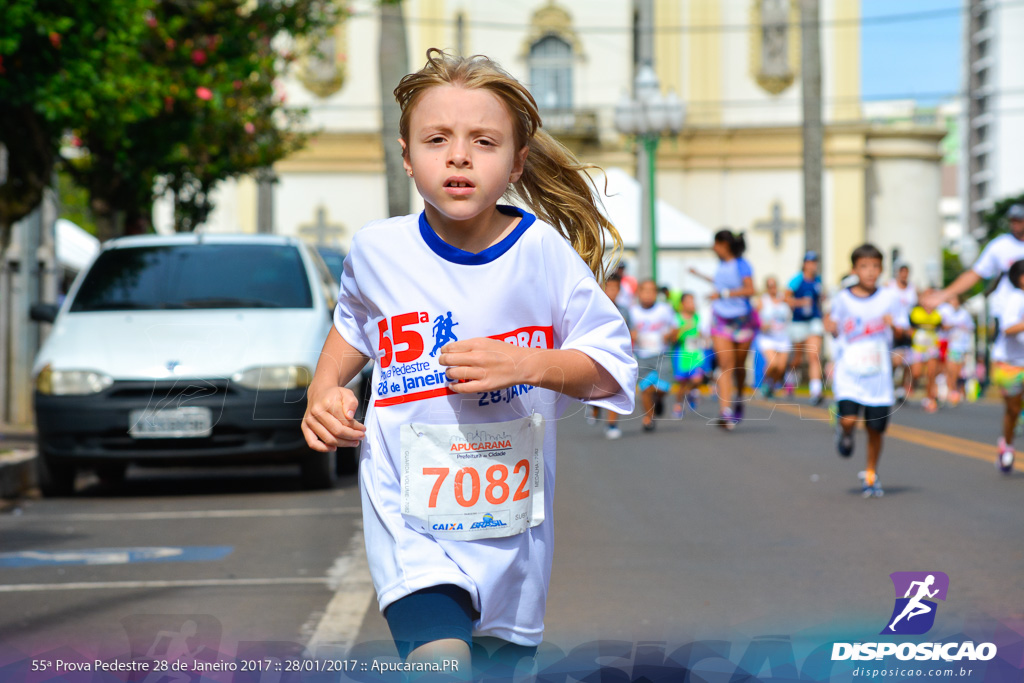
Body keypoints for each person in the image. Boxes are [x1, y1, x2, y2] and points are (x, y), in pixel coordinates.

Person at [301, 49, 637, 677]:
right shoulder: (378, 250)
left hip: (513, 537)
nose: (459, 156)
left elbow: (613, 370)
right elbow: (354, 325)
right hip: (409, 521)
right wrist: (325, 389)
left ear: (516, 162)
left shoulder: (544, 255)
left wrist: (528, 364)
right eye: (437, 139)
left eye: (484, 141)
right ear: (407, 156)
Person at [924, 203, 1024, 470]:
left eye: (1021, 220)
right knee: (1012, 407)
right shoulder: (1000, 247)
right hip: (1010, 326)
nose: (1017, 225)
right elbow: (976, 274)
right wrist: (944, 296)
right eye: (1014, 220)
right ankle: (1008, 440)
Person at [825, 244, 909, 498]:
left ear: (881, 269)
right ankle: (844, 430)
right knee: (850, 418)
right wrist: (829, 325)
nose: (870, 272)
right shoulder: (843, 298)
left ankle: (871, 473)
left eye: (875, 266)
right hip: (850, 367)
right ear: (854, 269)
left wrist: (894, 327)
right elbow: (833, 324)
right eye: (864, 266)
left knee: (876, 428)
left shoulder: (889, 299)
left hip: (878, 371)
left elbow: (905, 331)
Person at [690, 230, 756, 429]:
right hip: (721, 322)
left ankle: (739, 396)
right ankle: (725, 411)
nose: (713, 248)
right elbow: (719, 283)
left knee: (739, 366)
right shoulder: (720, 266)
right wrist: (699, 275)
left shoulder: (742, 264)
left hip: (742, 321)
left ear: (723, 245)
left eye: (715, 244)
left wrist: (724, 294)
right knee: (725, 365)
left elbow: (750, 290)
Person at [987, 259, 1024, 474]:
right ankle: (1006, 445)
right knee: (1012, 410)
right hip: (1010, 363)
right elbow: (1008, 329)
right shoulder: (1015, 298)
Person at [629, 279, 679, 431]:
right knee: (645, 388)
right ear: (639, 293)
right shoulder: (632, 311)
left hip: (661, 354)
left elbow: (675, 328)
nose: (649, 294)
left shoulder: (665, 309)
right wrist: (632, 335)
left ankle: (658, 399)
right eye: (645, 291)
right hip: (642, 355)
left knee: (663, 388)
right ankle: (648, 418)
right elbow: (625, 330)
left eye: (652, 291)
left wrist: (669, 335)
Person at [587, 274, 630, 439]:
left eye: (615, 288)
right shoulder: (595, 309)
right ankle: (594, 407)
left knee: (616, 388)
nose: (612, 291)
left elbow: (631, 331)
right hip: (599, 353)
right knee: (599, 388)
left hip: (618, 355)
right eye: (608, 287)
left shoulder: (624, 310)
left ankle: (612, 425)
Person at [785, 251, 825, 404]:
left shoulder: (818, 280)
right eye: (810, 262)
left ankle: (816, 390)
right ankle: (790, 376)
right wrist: (800, 303)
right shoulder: (797, 279)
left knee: (814, 355)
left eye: (815, 262)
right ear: (804, 264)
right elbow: (786, 298)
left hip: (813, 320)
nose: (813, 265)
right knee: (798, 358)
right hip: (798, 322)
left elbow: (819, 299)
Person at [756, 276, 793, 398]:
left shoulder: (783, 300)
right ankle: (765, 383)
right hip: (768, 338)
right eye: (770, 286)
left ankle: (771, 386)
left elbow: (792, 309)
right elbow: (755, 317)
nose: (773, 289)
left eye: (774, 286)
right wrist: (761, 325)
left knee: (781, 367)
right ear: (767, 288)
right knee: (773, 364)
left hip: (782, 337)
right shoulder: (763, 301)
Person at [907, 293, 944, 413]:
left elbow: (940, 328)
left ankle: (929, 398)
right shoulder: (915, 312)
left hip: (931, 347)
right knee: (916, 373)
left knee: (931, 373)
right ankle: (910, 385)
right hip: (918, 347)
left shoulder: (937, 314)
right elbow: (909, 327)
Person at [670, 292, 704, 417]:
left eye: (693, 301)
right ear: (682, 304)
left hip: (695, 354)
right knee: (682, 383)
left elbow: (700, 333)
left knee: (697, 379)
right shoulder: (676, 318)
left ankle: (691, 393)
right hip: (681, 354)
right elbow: (672, 338)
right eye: (689, 302)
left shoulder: (697, 317)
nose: (692, 304)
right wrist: (683, 328)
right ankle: (678, 404)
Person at [887, 263, 917, 401]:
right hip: (894, 327)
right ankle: (891, 382)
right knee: (896, 360)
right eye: (902, 272)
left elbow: (914, 309)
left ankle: (901, 388)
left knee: (907, 361)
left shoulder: (912, 289)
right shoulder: (890, 286)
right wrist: (892, 325)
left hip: (907, 327)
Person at [938, 296, 975, 406]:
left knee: (958, 370)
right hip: (949, 345)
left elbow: (971, 327)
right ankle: (951, 390)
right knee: (950, 368)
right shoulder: (944, 310)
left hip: (962, 346)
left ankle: (953, 390)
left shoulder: (964, 313)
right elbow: (940, 326)